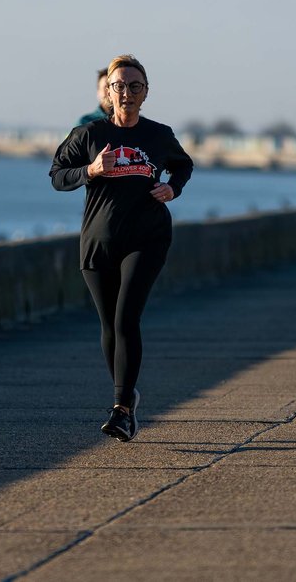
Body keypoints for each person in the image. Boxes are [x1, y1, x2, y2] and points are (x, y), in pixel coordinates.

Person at [50, 54, 194, 442]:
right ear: (107, 93)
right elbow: (57, 175)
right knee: (109, 325)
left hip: (147, 239)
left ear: (145, 93)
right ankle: (126, 392)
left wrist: (172, 188)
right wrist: (91, 171)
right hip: (99, 242)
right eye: (119, 86)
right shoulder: (89, 135)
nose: (126, 93)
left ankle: (122, 411)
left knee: (127, 318)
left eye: (135, 86)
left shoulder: (159, 135)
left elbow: (183, 165)